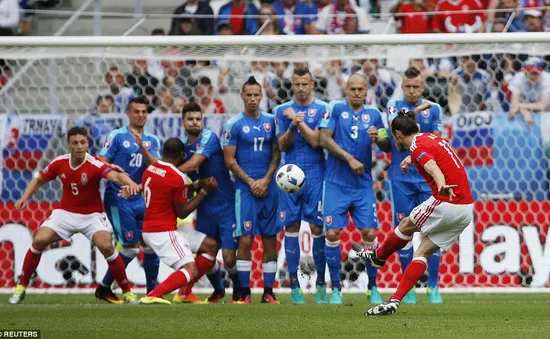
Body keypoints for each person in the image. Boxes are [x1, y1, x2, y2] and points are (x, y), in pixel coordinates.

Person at [353, 110, 473, 316]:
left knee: (406, 224)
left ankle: (378, 256)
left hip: (446, 201)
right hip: (465, 209)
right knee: (422, 253)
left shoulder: (417, 148)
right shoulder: (429, 138)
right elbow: (429, 153)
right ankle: (393, 301)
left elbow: (432, 166)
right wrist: (410, 159)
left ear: (398, 134)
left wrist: (441, 184)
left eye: (392, 136)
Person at [9, 127, 141, 304]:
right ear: (68, 145)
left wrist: (131, 183)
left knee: (107, 247)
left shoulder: (94, 163)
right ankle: (21, 287)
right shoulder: (59, 163)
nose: (80, 146)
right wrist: (25, 197)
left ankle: (127, 291)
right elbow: (38, 180)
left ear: (88, 144)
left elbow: (116, 176)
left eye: (83, 142)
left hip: (92, 216)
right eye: (75, 143)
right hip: (65, 214)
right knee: (39, 240)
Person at [135, 102, 240, 304]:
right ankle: (165, 293)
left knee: (221, 253)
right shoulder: (180, 159)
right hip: (197, 209)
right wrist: (196, 186)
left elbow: (190, 165)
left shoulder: (208, 137)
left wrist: (168, 175)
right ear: (183, 122)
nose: (195, 122)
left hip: (224, 204)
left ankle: (225, 291)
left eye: (198, 118)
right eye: (190, 119)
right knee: (195, 262)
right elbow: (182, 202)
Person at [319, 74, 390, 304]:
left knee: (369, 234)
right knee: (331, 233)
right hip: (335, 183)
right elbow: (324, 138)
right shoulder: (336, 109)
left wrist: (377, 137)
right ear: (346, 89)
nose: (357, 93)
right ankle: (336, 289)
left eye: (361, 89)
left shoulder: (374, 114)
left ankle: (372, 286)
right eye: (353, 89)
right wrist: (349, 158)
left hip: (362, 185)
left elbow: (386, 144)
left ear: (366, 89)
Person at [125, 138, 218, 304]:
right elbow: (182, 212)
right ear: (182, 155)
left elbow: (172, 193)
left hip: (150, 228)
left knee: (210, 246)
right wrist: (204, 191)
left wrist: (197, 184)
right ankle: (154, 294)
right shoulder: (178, 177)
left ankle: (183, 294)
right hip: (163, 231)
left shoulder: (151, 169)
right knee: (191, 269)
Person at [383, 66, 444, 304]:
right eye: (407, 86)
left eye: (415, 86)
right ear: (402, 87)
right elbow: (397, 143)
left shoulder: (434, 108)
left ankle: (433, 286)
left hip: (426, 178)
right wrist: (411, 117)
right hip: (401, 178)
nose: (411, 90)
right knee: (404, 231)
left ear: (422, 86)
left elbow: (437, 142)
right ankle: (407, 290)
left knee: (433, 231)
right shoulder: (392, 107)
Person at [95, 96, 162, 303]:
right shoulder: (116, 136)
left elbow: (157, 168)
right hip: (118, 198)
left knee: (150, 244)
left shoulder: (153, 140)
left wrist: (143, 147)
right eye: (136, 111)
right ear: (128, 114)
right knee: (131, 247)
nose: (141, 115)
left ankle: (152, 291)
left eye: (144, 112)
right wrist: (115, 171)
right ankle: (104, 287)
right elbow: (101, 162)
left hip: (142, 198)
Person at [223, 76, 281, 304]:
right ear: (242, 96)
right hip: (245, 190)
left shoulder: (272, 121)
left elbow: (277, 153)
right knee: (246, 239)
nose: (253, 99)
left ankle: (268, 292)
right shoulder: (233, 124)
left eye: (257, 95)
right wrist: (251, 182)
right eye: (249, 95)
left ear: (261, 96)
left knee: (269, 239)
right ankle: (245, 292)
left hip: (270, 188)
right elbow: (229, 160)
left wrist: (266, 180)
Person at [274, 66, 329, 304]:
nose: (301, 88)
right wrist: (290, 125)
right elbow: (282, 146)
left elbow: (318, 142)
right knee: (291, 227)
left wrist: (299, 123)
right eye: (297, 84)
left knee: (317, 229)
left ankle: (320, 285)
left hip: (316, 173)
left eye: (305, 83)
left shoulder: (323, 109)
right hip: (288, 177)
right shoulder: (281, 110)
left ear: (312, 84)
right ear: (292, 84)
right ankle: (295, 286)